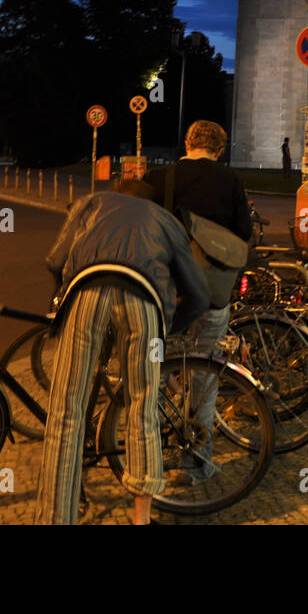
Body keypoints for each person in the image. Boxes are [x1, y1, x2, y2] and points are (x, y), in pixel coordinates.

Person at [35, 179, 211, 525]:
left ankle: (55, 519)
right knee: (142, 407)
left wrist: (61, 298)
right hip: (143, 302)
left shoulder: (91, 203)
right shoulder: (166, 220)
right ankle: (141, 518)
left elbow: (54, 260)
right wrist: (168, 327)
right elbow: (199, 295)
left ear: (118, 193)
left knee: (65, 412)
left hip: (86, 292)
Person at [144, 121, 252, 480]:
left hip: (169, 293)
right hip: (212, 295)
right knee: (205, 381)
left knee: (156, 374)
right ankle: (196, 464)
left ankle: (150, 461)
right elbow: (244, 235)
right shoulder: (230, 181)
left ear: (187, 143)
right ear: (219, 150)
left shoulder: (161, 179)